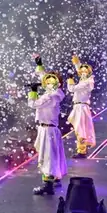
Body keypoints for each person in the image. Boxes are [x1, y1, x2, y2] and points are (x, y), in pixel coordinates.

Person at [28, 55, 67, 195]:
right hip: (48, 129)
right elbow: (45, 78)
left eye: (51, 82)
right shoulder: (55, 93)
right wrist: (40, 66)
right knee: (52, 155)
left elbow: (33, 104)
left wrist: (33, 92)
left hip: (48, 130)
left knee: (47, 157)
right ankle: (54, 179)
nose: (48, 83)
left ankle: (48, 184)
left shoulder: (50, 96)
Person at [66, 54, 96, 159]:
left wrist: (70, 79)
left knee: (80, 130)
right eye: (81, 71)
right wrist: (76, 61)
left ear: (89, 73)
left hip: (81, 107)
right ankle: (82, 148)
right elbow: (80, 69)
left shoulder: (87, 82)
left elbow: (72, 89)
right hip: (80, 107)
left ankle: (82, 150)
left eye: (85, 71)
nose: (82, 73)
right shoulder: (85, 80)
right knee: (81, 129)